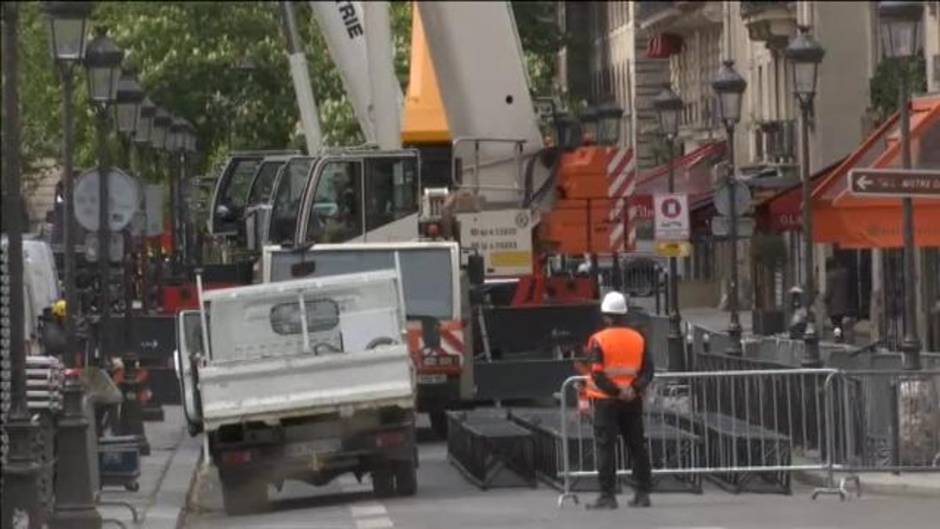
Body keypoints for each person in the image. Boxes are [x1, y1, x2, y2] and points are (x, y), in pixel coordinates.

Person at [584, 291, 654, 510]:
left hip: (606, 401)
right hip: (632, 400)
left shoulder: (599, 340)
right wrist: (632, 389)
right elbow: (647, 371)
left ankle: (607, 495)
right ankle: (642, 493)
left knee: (606, 447)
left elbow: (597, 373)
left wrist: (616, 391)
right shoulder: (638, 338)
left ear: (606, 316)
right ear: (624, 314)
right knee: (637, 446)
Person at [824, 257, 852, 341]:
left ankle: (838, 337)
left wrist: (825, 299)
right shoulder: (844, 274)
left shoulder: (830, 276)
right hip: (844, 302)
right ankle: (841, 336)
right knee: (840, 321)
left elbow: (828, 291)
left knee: (836, 323)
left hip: (834, 305)